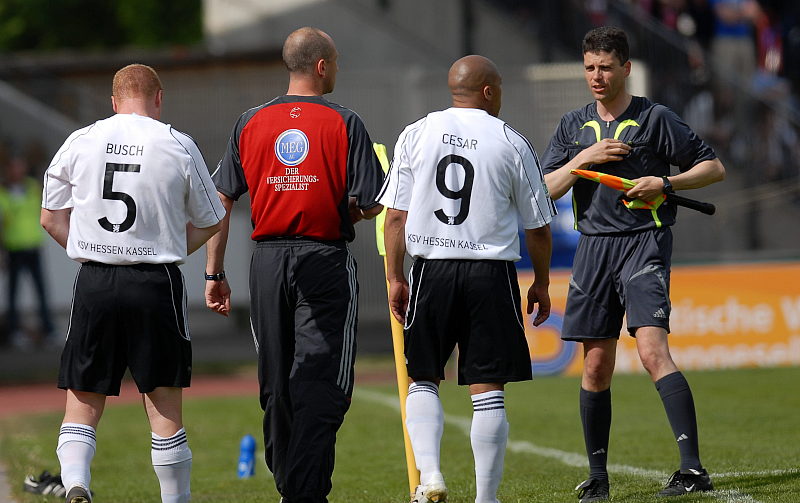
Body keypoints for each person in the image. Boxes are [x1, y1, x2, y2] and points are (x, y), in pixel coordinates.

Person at [541, 26, 725, 501]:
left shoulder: (655, 117)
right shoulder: (572, 126)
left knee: (651, 351)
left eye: (605, 67)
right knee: (595, 366)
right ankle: (597, 478)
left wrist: (665, 184)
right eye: (589, 68)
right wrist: (585, 158)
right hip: (593, 249)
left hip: (644, 242)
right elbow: (544, 190)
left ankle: (692, 470)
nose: (596, 76)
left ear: (625, 68)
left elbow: (713, 167)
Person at [204, 27, 384, 503]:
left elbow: (221, 200)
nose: (337, 69)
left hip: (266, 262)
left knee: (276, 380)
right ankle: (304, 493)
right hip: (324, 258)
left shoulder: (249, 121)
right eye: (336, 61)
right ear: (322, 66)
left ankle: (291, 488)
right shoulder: (346, 122)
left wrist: (214, 272)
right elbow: (371, 202)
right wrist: (344, 208)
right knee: (324, 380)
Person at [40, 63, 225, 503]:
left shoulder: (81, 139)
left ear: (113, 101)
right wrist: (169, 245)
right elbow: (212, 219)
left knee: (82, 400)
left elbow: (49, 217)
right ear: (159, 98)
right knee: (164, 408)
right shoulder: (177, 142)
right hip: (155, 281)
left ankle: (77, 481)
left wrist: (89, 248)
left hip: (95, 279)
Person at [380, 55, 555, 503]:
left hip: (431, 269)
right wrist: (540, 282)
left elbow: (395, 217)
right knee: (488, 388)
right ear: (489, 91)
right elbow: (538, 226)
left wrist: (396, 276)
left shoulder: (416, 133)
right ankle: (485, 498)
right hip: (489, 273)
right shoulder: (511, 140)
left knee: (422, 377)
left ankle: (431, 476)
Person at [0, 152, 55, 349]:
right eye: (14, 167)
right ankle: (14, 331)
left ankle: (48, 329)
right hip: (14, 247)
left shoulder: (32, 187)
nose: (18, 170)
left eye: (20, 166)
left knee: (41, 290)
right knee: (13, 292)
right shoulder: (3, 192)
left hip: (33, 245)